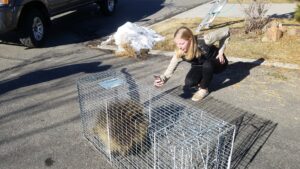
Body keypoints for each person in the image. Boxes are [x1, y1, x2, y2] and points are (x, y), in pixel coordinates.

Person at [154, 26, 230, 101]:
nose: (179, 47)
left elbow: (226, 31)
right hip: (200, 65)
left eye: (182, 43)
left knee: (208, 65)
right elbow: (170, 68)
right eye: (177, 44)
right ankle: (204, 80)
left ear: (190, 39)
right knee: (189, 82)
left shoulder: (205, 39)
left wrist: (221, 51)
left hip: (217, 62)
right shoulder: (179, 52)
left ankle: (204, 89)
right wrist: (163, 79)